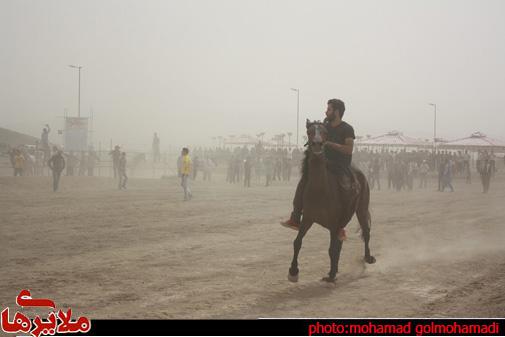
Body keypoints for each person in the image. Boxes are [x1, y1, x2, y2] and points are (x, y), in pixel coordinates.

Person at [281, 98, 356, 230]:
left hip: (340, 166)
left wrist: (330, 144)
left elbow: (349, 150)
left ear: (337, 112)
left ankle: (340, 226)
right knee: (304, 181)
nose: (326, 111)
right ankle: (296, 217)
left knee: (346, 189)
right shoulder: (324, 126)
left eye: (329, 109)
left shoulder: (347, 129)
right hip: (324, 164)